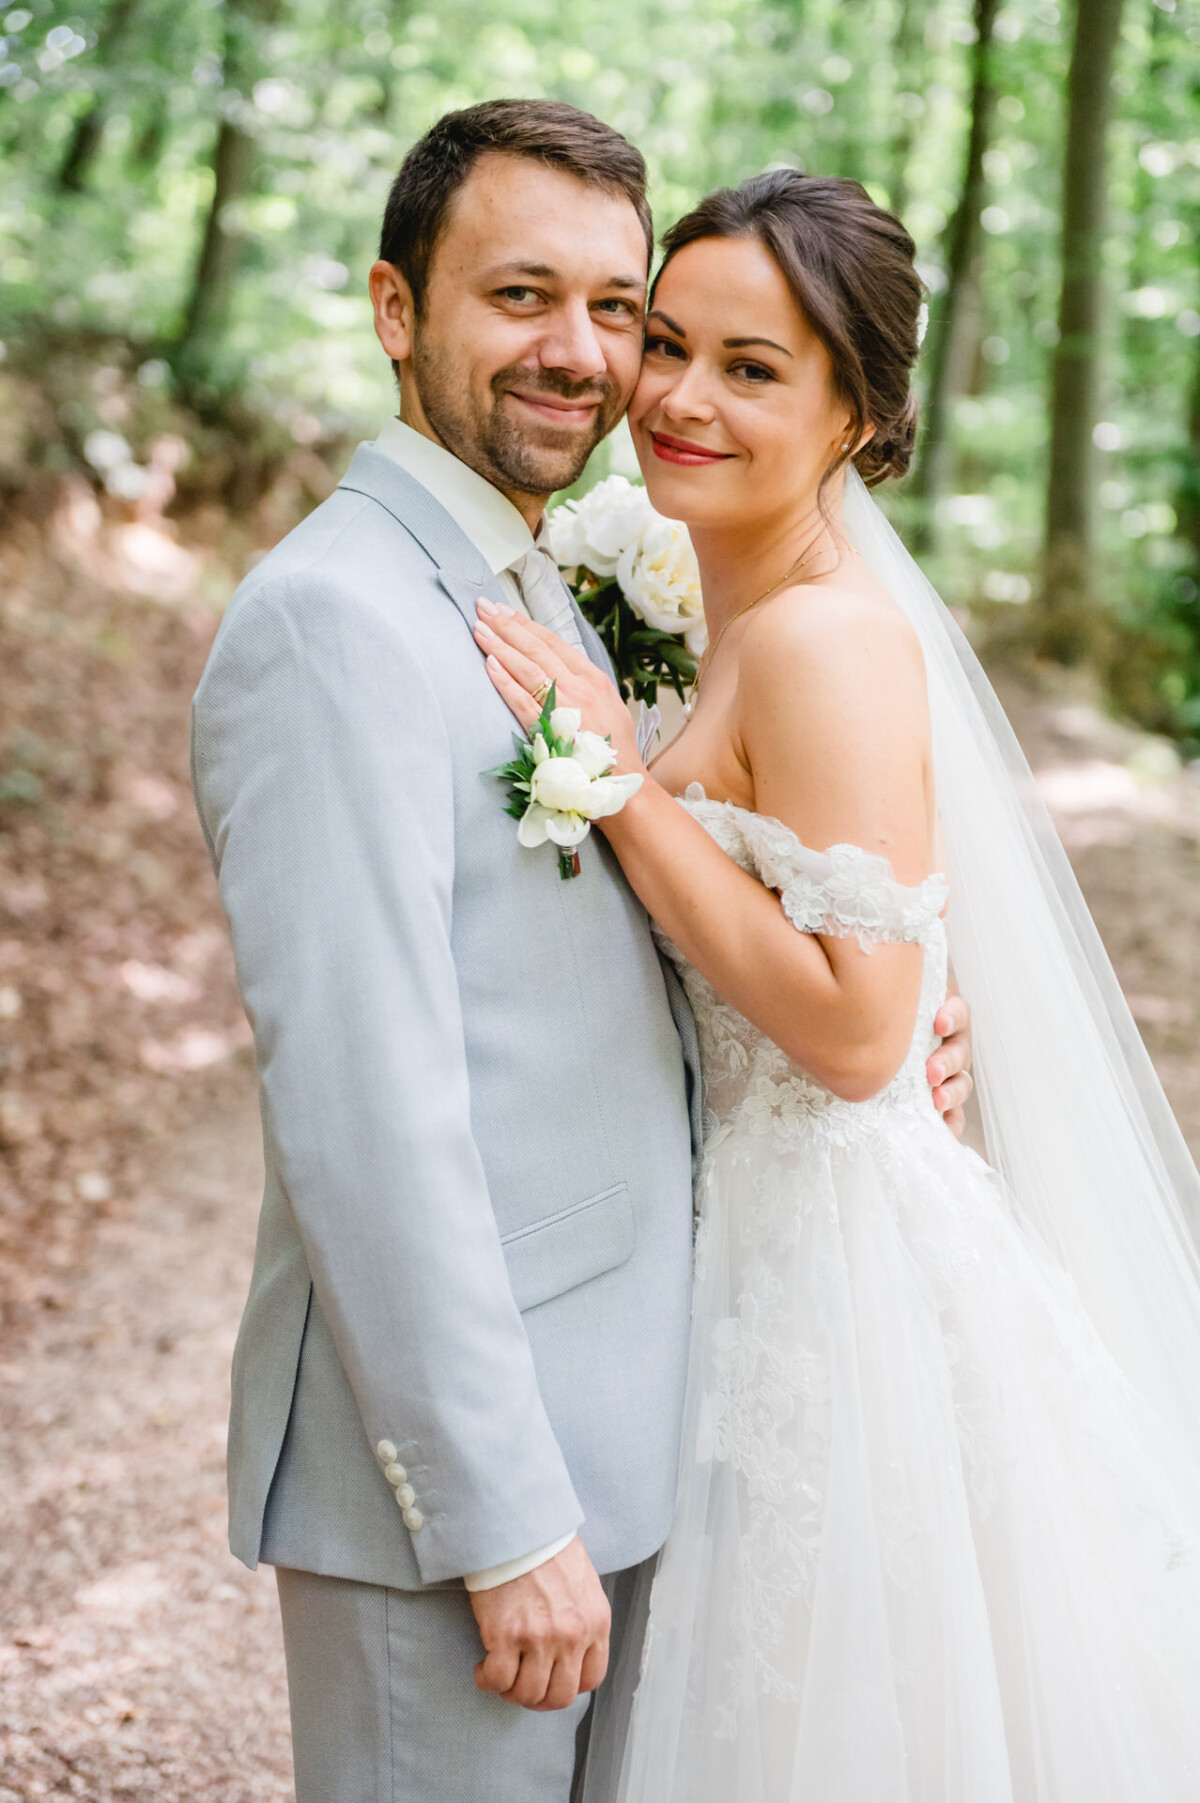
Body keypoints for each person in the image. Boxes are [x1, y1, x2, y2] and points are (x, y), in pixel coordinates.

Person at [190, 104, 972, 1802]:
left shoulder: (548, 586)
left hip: (641, 1423)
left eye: (617, 310)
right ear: (400, 311)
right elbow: (365, 1115)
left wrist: (902, 1023)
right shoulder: (337, 622)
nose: (589, 356)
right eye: (522, 296)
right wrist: (496, 1512)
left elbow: (721, 931)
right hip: (477, 1502)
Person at [477, 170, 1200, 1801]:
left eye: (753, 369)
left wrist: (622, 788)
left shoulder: (823, 639)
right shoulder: (712, 604)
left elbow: (865, 1032)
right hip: (743, 1245)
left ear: (860, 418)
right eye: (666, 343)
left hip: (836, 1283)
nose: (674, 398)